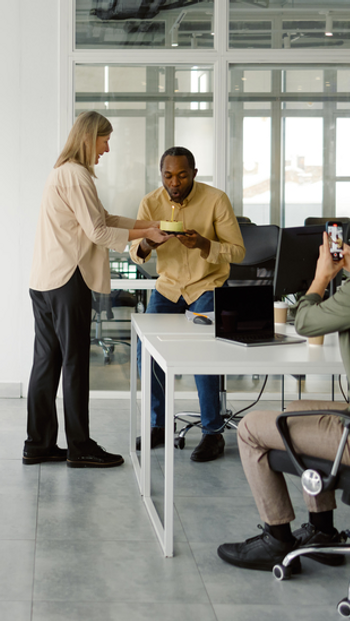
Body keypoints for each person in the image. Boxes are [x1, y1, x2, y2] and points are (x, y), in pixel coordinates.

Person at [217, 194, 350, 571]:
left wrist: (321, 277)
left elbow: (305, 321)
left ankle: (276, 540)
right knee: (295, 411)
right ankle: (321, 531)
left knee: (251, 428)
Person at [25, 111, 172, 468]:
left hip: (45, 281)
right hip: (67, 281)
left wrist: (148, 225)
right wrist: (145, 236)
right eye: (105, 139)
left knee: (47, 363)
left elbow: (104, 218)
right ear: (90, 138)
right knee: (75, 363)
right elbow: (100, 234)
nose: (107, 147)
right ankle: (81, 447)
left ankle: (39, 444)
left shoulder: (63, 173)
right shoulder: (76, 176)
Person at [130, 146, 245, 461]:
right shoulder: (150, 203)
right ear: (161, 175)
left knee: (202, 359)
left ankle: (212, 432)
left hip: (205, 286)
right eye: (168, 175)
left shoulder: (215, 200)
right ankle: (158, 426)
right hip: (167, 289)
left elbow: (238, 251)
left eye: (181, 175)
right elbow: (133, 252)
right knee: (148, 357)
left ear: (194, 173)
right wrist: (147, 243)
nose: (175, 182)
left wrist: (205, 244)